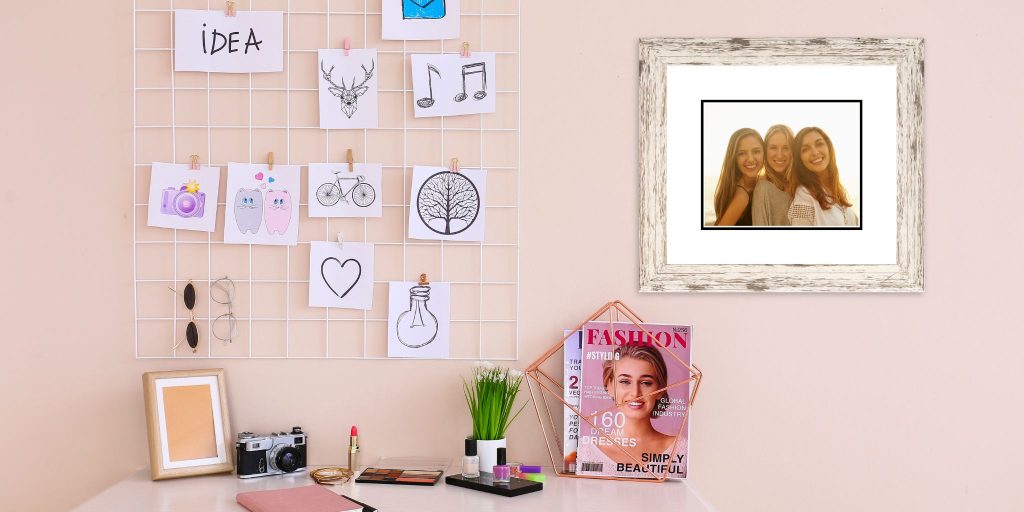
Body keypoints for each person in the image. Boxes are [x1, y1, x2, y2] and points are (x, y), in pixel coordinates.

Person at [576, 344, 686, 478]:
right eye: (625, 381)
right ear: (610, 386)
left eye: (646, 383)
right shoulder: (585, 450)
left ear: (661, 389)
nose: (635, 393)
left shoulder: (681, 449)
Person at [787, 127, 859, 226]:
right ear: (800, 159)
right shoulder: (804, 198)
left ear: (828, 147)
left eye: (819, 144)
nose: (815, 152)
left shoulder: (838, 190)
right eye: (805, 149)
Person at [712, 128, 764, 226]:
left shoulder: (757, 183)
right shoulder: (741, 196)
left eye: (756, 151)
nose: (750, 159)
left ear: (764, 153)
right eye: (741, 153)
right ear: (734, 158)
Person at [752, 124, 794, 226]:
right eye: (773, 148)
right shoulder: (763, 188)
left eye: (786, 147)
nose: (779, 154)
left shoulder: (801, 185)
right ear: (765, 151)